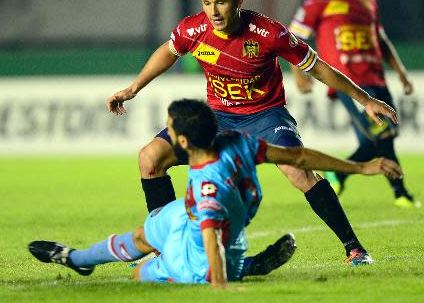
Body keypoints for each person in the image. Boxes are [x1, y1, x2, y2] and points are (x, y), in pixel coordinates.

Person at [106, 0, 398, 263]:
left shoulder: (269, 32)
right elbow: (168, 51)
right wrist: (133, 88)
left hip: (266, 116)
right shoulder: (193, 29)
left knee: (298, 172)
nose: (214, 11)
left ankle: (354, 248)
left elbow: (318, 66)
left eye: (221, 2)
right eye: (207, 3)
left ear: (239, 0)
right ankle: (168, 251)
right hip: (217, 119)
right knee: (150, 158)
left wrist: (365, 100)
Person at [29, 99, 403, 287]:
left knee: (140, 273)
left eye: (170, 129)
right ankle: (78, 258)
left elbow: (209, 234)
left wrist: (221, 288)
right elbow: (300, 155)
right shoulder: (240, 142)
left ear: (185, 141)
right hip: (185, 217)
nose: (167, 133)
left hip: (195, 254)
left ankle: (240, 268)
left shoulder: (208, 182)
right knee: (149, 229)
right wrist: (362, 167)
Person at [289, 0, 420, 208]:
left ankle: (340, 172)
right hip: (347, 82)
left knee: (380, 137)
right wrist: (300, 74)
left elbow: (380, 40)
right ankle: (400, 192)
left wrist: (401, 72)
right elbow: (294, 38)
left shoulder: (367, 1)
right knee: (383, 133)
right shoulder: (319, 2)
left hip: (376, 78)